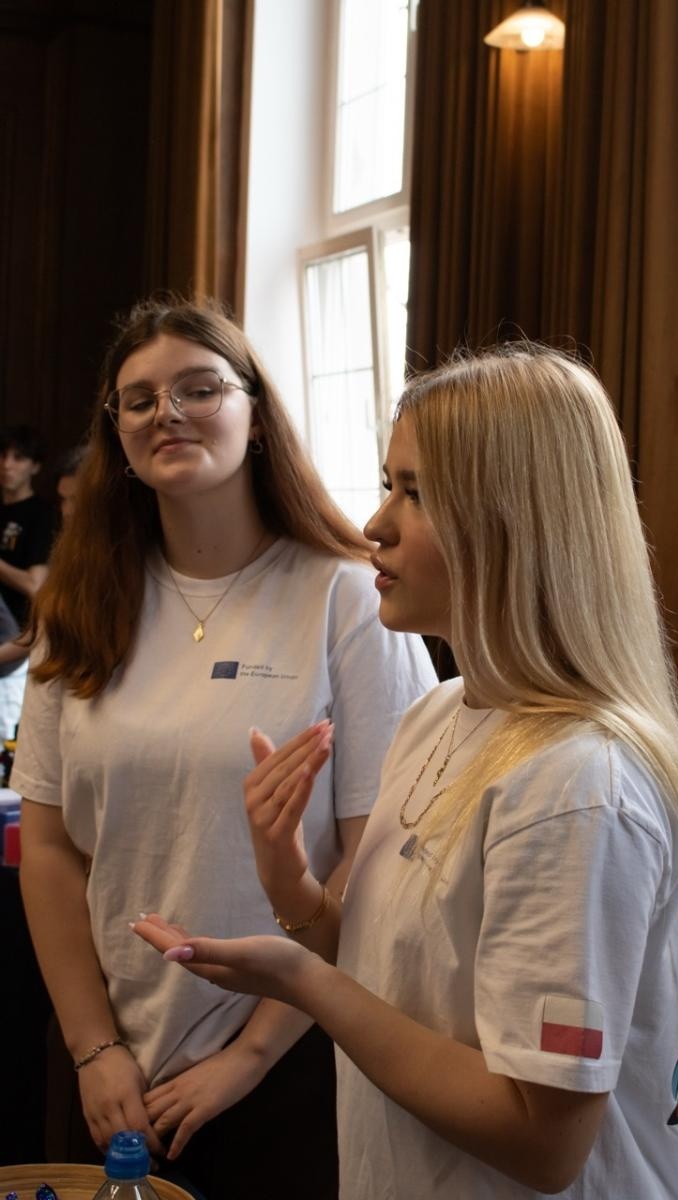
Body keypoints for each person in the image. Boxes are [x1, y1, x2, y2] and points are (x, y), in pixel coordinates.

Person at [135, 345, 678, 1199]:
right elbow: (405, 977)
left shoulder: (576, 787)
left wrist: (301, 981)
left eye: (414, 493)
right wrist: (297, 895)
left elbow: (541, 1138)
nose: (374, 524)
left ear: (514, 521)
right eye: (389, 483)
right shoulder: (437, 714)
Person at [15, 297, 436, 1200]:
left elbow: (376, 855)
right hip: (109, 1069)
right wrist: (93, 1049)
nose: (166, 412)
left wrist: (246, 1057)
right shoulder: (79, 608)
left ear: (256, 413)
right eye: (138, 400)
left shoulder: (347, 597)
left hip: (295, 1057)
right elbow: (48, 852)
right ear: (116, 435)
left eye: (199, 388)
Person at [0, 425, 54, 737]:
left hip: (15, 650)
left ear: (35, 465)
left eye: (18, 458)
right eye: (3, 456)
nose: (7, 465)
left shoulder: (42, 514)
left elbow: (36, 586)